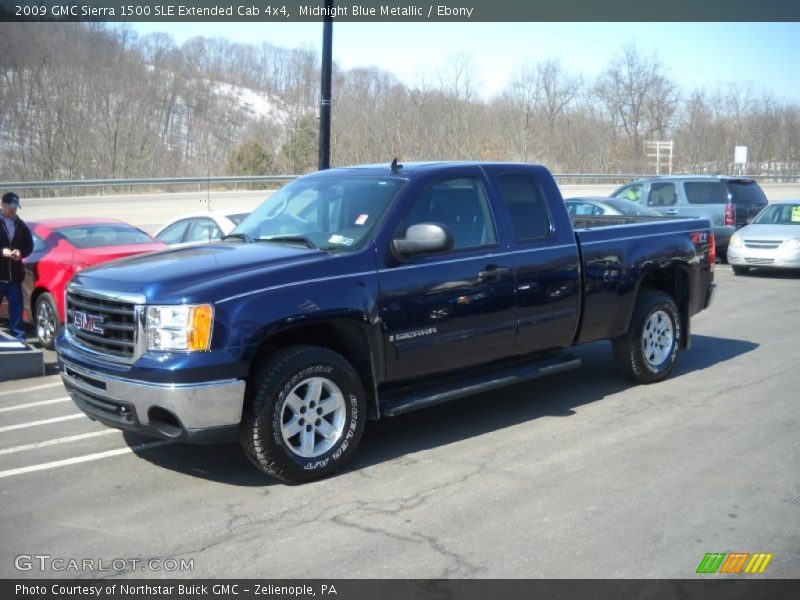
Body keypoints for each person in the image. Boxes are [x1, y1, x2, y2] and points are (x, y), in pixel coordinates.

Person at [1, 192, 34, 341]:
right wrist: (2, 252)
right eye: (11, 207)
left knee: (16, 307)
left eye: (16, 207)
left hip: (14, 275)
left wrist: (20, 252)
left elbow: (29, 244)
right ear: (3, 205)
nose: (14, 210)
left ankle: (19, 339)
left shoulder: (20, 224)